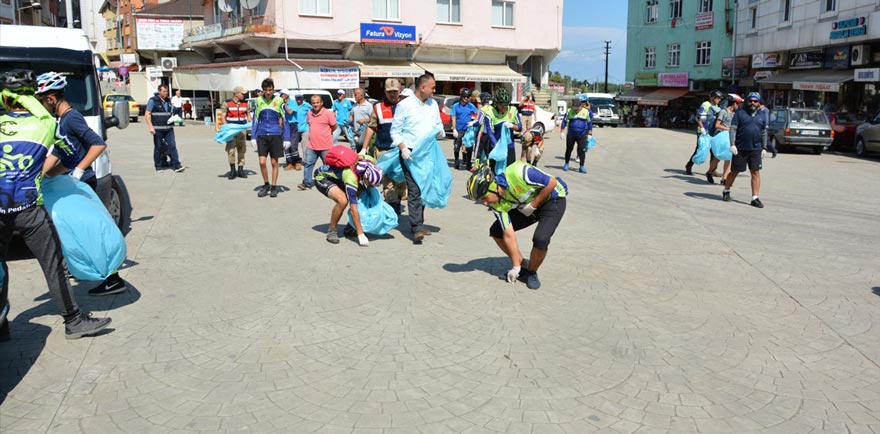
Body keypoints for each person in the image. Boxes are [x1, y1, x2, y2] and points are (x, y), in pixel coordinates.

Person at [0, 69, 112, 340]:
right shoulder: (47, 124)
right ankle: (74, 321)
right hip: (29, 208)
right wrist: (42, 171)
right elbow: (73, 154)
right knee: (54, 265)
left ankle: (2, 325)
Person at [35, 71, 128, 296]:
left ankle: (113, 279)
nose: (41, 105)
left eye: (41, 100)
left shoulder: (72, 118)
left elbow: (97, 144)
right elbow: (61, 154)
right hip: (72, 181)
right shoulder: (62, 120)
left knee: (93, 233)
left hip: (82, 182)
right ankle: (86, 270)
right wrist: (41, 174)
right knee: (77, 231)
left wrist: (77, 170)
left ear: (51, 98)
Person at [466, 162, 568, 290]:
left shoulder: (518, 172)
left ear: (494, 187)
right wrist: (516, 267)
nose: (485, 203)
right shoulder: (495, 203)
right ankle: (523, 266)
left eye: (485, 198)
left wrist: (533, 205)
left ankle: (531, 272)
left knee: (541, 239)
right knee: (496, 231)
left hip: (553, 199)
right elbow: (508, 233)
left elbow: (551, 183)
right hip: (528, 205)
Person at [390, 73, 444, 244]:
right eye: (433, 87)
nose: (434, 90)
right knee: (414, 190)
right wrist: (403, 147)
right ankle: (416, 228)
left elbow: (438, 124)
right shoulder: (405, 105)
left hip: (428, 153)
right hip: (410, 153)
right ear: (422, 87)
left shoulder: (433, 104)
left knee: (425, 188)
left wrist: (440, 131)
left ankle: (418, 222)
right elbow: (395, 130)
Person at [363, 78, 407, 214]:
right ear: (385, 92)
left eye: (395, 91)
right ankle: (392, 208)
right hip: (383, 150)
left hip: (401, 150)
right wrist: (364, 148)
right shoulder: (378, 106)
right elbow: (371, 128)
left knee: (401, 182)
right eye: (389, 92)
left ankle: (398, 198)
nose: (392, 94)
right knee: (388, 182)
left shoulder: (406, 105)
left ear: (399, 90)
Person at [315, 157, 382, 246]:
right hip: (323, 178)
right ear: (365, 177)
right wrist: (360, 234)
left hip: (339, 177)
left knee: (363, 193)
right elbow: (353, 208)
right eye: (370, 184)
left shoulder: (369, 162)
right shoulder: (351, 178)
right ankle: (332, 230)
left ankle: (350, 227)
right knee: (343, 201)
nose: (372, 187)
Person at [724, 92, 768, 208]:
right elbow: (733, 129)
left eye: (755, 101)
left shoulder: (762, 115)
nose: (753, 103)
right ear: (747, 101)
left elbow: (764, 132)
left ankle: (755, 198)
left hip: (755, 149)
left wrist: (764, 147)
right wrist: (732, 144)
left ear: (759, 103)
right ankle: (726, 190)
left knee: (755, 172)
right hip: (741, 148)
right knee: (735, 171)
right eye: (751, 101)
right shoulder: (740, 113)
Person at [251, 77, 288, 198]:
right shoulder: (258, 101)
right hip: (262, 134)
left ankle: (274, 186)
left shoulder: (279, 101)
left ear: (273, 90)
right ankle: (266, 184)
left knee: (274, 162)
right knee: (262, 162)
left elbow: (285, 120)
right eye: (266, 90)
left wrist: (286, 138)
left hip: (275, 134)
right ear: (262, 90)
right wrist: (253, 136)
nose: (268, 92)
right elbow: (255, 119)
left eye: (270, 89)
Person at [299, 94, 337, 190]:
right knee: (308, 165)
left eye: (317, 102)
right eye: (313, 103)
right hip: (311, 146)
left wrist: (327, 133)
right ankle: (306, 183)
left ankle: (330, 183)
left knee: (328, 166)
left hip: (326, 146)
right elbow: (310, 124)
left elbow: (334, 126)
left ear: (321, 103)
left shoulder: (328, 113)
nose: (315, 105)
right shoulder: (309, 113)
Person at [145, 84, 186, 172]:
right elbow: (147, 114)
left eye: (167, 91)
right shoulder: (153, 101)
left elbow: (170, 112)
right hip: (158, 129)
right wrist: (150, 127)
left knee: (172, 146)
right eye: (164, 91)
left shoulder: (168, 101)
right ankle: (158, 166)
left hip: (169, 129)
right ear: (159, 91)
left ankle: (176, 165)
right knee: (158, 147)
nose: (166, 93)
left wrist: (173, 118)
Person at [477, 87, 522, 168]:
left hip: (509, 146)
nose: (504, 108)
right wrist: (496, 145)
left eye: (506, 105)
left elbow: (520, 128)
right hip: (496, 146)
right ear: (496, 103)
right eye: (502, 105)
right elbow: (490, 132)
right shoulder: (490, 114)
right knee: (495, 172)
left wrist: (512, 125)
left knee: (509, 171)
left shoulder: (513, 110)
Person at [685, 90, 724, 175]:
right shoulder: (705, 105)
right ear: (712, 98)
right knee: (700, 150)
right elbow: (699, 118)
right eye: (718, 98)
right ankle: (689, 165)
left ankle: (712, 170)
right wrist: (702, 128)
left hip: (713, 132)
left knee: (714, 151)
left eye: (720, 98)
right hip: (703, 132)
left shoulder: (716, 106)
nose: (719, 100)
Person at [218, 85, 251, 180]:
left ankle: (241, 169)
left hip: (242, 130)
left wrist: (251, 123)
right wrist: (226, 128)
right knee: (231, 150)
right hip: (231, 130)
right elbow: (223, 117)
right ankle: (232, 170)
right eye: (242, 93)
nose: (244, 95)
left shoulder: (245, 103)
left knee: (242, 149)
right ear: (236, 94)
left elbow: (248, 115)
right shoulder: (227, 103)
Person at [709, 93, 742, 185]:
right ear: (734, 103)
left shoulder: (736, 114)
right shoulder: (723, 112)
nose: (738, 106)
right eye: (738, 104)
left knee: (728, 157)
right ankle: (709, 172)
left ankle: (724, 178)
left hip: (730, 137)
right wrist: (728, 129)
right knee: (717, 158)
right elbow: (717, 125)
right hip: (722, 137)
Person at [559, 95, 592, 173]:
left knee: (582, 151)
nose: (575, 110)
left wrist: (590, 133)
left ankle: (581, 166)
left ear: (581, 106)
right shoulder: (569, 111)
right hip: (571, 134)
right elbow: (564, 121)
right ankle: (566, 164)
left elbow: (589, 122)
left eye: (577, 108)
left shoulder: (586, 112)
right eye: (574, 108)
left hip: (582, 134)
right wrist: (562, 131)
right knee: (569, 149)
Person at [451, 87, 479, 170]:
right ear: (461, 97)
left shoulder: (470, 106)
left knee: (469, 147)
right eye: (464, 97)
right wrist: (454, 129)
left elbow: (478, 113)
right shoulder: (456, 106)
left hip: (468, 130)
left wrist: (474, 121)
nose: (466, 98)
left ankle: (468, 163)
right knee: (457, 146)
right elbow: (453, 117)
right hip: (459, 129)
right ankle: (456, 161)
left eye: (467, 97)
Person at [280, 89, 304, 171]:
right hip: (284, 125)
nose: (281, 96)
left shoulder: (293, 102)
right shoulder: (281, 104)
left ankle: (297, 162)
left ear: (286, 95)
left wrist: (285, 105)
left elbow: (290, 112)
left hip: (292, 125)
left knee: (293, 145)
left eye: (282, 94)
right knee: (286, 145)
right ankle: (289, 163)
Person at [291, 91, 312, 169]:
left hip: (305, 129)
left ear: (302, 98)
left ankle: (306, 162)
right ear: (295, 98)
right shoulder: (292, 105)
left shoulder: (307, 105)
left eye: (300, 97)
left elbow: (313, 112)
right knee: (294, 146)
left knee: (305, 147)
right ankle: (297, 162)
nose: (299, 99)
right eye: (297, 97)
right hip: (295, 129)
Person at [350, 88, 372, 152]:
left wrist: (365, 120)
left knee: (363, 152)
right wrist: (348, 122)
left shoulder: (369, 106)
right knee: (357, 151)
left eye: (356, 95)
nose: (354, 96)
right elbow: (351, 115)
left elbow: (373, 119)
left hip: (365, 133)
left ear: (362, 96)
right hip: (356, 132)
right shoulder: (354, 105)